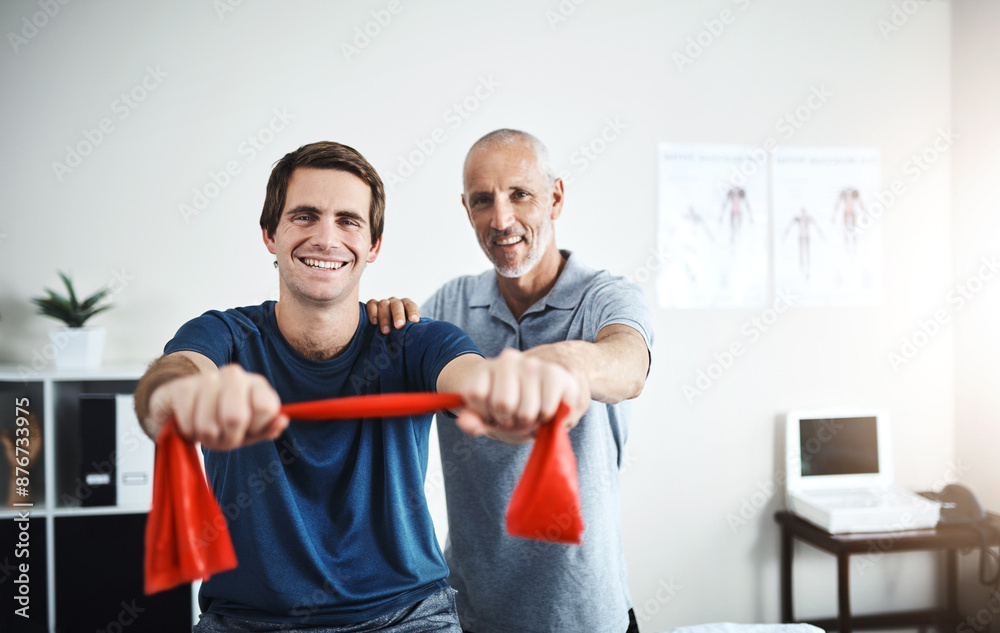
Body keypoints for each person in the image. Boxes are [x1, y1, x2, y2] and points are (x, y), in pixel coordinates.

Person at [132, 141, 589, 633]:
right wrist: (180, 397)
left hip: (410, 618)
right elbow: (171, 377)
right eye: (304, 216)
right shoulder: (222, 335)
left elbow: (477, 383)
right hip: (245, 622)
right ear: (270, 233)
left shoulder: (417, 341)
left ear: (373, 245)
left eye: (348, 221)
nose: (327, 238)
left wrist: (517, 393)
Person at [368, 129, 654, 633]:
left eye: (519, 194)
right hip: (471, 616)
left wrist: (559, 362)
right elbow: (382, 399)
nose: (501, 220)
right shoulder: (448, 306)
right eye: (483, 201)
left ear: (556, 197)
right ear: (467, 209)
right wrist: (377, 324)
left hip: (587, 616)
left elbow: (628, 368)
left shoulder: (607, 297)